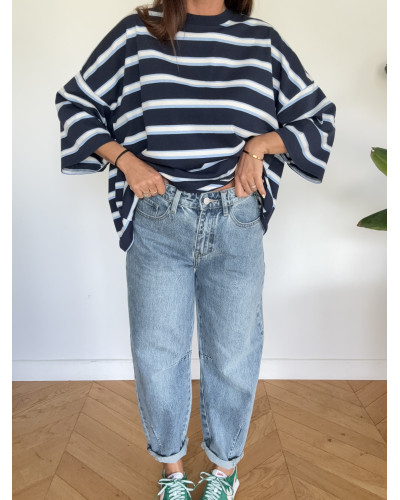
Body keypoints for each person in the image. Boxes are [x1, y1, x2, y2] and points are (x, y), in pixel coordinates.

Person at [55, 0, 336, 498]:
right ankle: (173, 473)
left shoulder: (261, 41)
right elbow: (75, 103)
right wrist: (126, 161)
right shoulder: (137, 34)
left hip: (236, 217)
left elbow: (317, 118)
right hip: (159, 216)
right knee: (157, 352)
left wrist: (258, 147)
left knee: (233, 353)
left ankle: (224, 472)